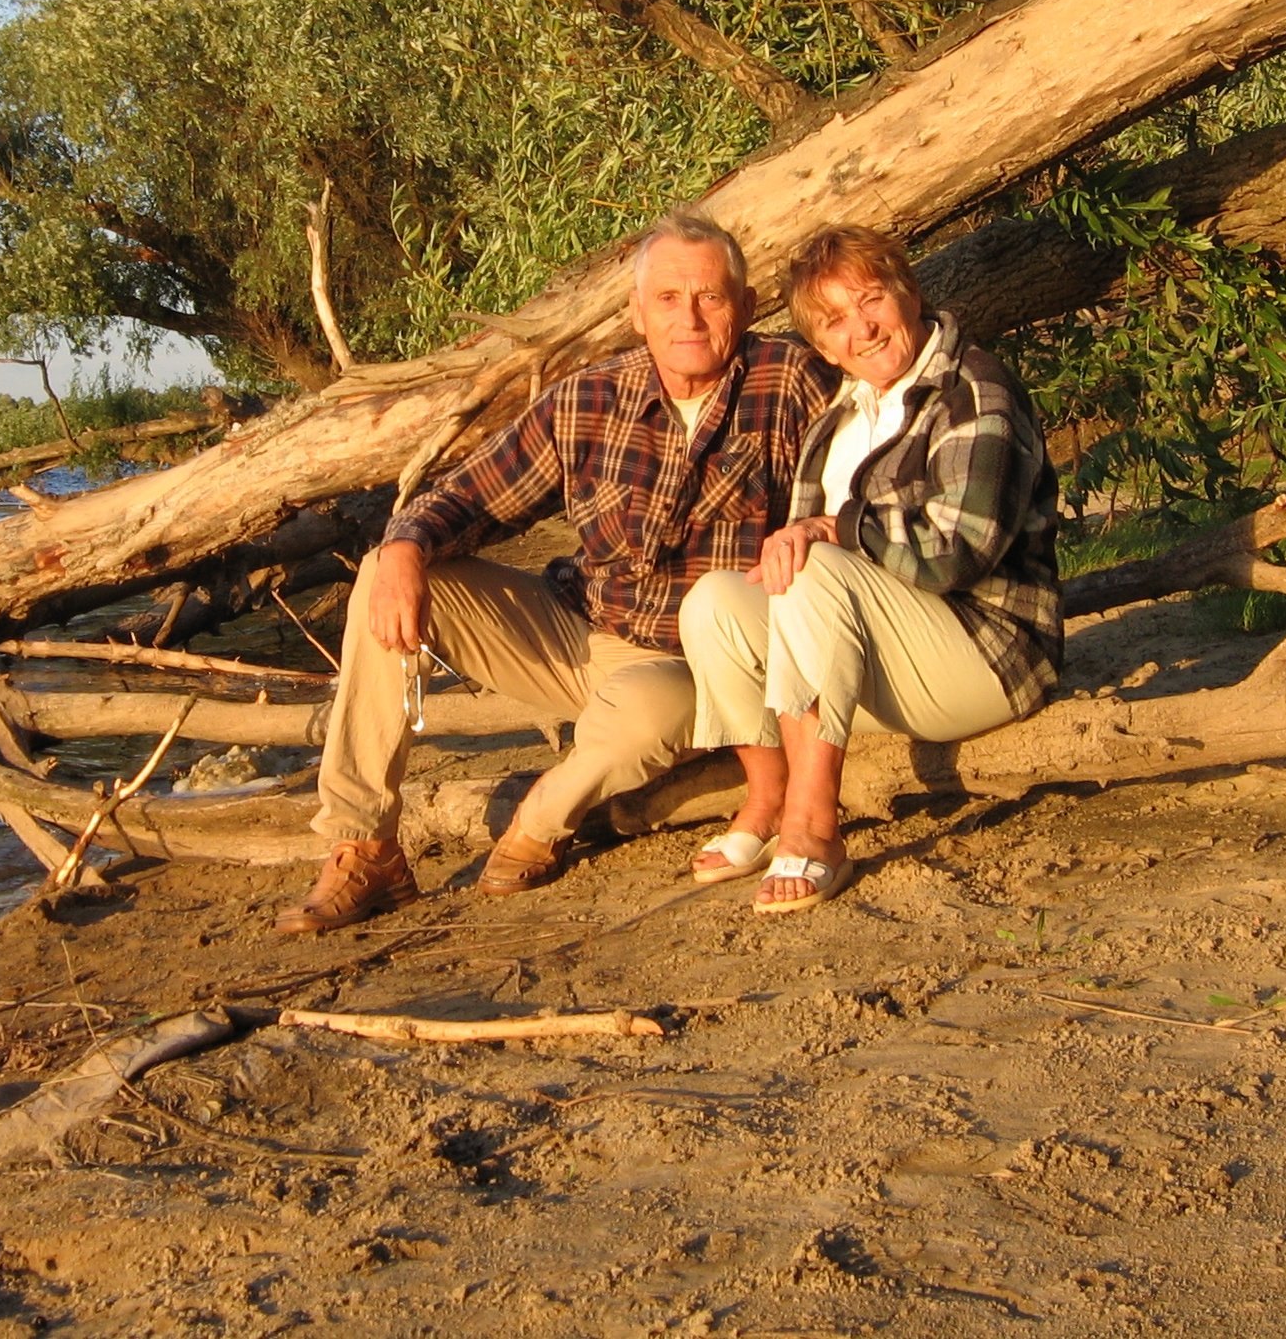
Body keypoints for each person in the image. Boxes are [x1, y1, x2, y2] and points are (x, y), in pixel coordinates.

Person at [275, 209, 835, 935]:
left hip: (693, 666)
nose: (688, 318)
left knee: (650, 711)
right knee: (392, 568)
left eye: (709, 298)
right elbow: (474, 495)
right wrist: (407, 545)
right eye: (667, 299)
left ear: (745, 306)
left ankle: (542, 818)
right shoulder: (587, 398)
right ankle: (365, 844)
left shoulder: (789, 382)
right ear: (636, 313)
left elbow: (851, 502)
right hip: (571, 628)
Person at [678, 224, 1061, 912]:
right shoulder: (837, 419)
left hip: (987, 652)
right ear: (822, 346)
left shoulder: (973, 388)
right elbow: (801, 561)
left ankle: (815, 827)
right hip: (885, 660)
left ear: (909, 295)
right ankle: (767, 800)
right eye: (836, 321)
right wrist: (805, 540)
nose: (864, 328)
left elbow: (957, 554)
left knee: (814, 563)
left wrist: (841, 527)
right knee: (715, 599)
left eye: (872, 300)